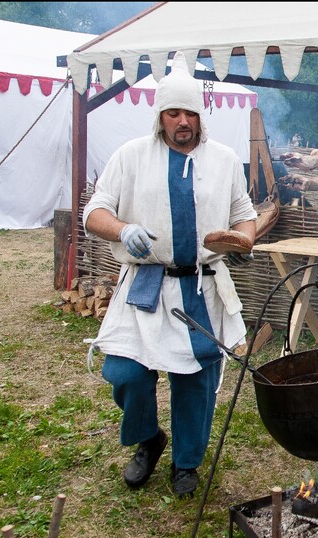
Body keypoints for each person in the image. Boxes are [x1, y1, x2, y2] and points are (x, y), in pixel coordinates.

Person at [82, 52, 258, 498]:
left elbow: (245, 216)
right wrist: (124, 229)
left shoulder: (222, 159)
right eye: (173, 112)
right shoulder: (132, 156)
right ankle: (148, 439)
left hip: (200, 285)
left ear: (201, 117)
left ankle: (187, 463)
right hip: (145, 285)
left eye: (190, 114)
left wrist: (242, 240)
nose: (183, 121)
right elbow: (94, 212)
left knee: (196, 376)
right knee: (125, 372)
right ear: (159, 116)